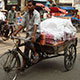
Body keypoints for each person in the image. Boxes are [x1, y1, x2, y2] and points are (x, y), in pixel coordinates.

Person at [12, 0, 41, 69]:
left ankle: (35, 54)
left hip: (36, 32)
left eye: (30, 5)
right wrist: (15, 32)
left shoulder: (36, 14)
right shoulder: (26, 14)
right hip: (29, 33)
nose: (28, 7)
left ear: (34, 6)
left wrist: (33, 35)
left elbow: (35, 25)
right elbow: (22, 25)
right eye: (28, 5)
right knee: (26, 49)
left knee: (27, 42)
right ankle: (23, 65)